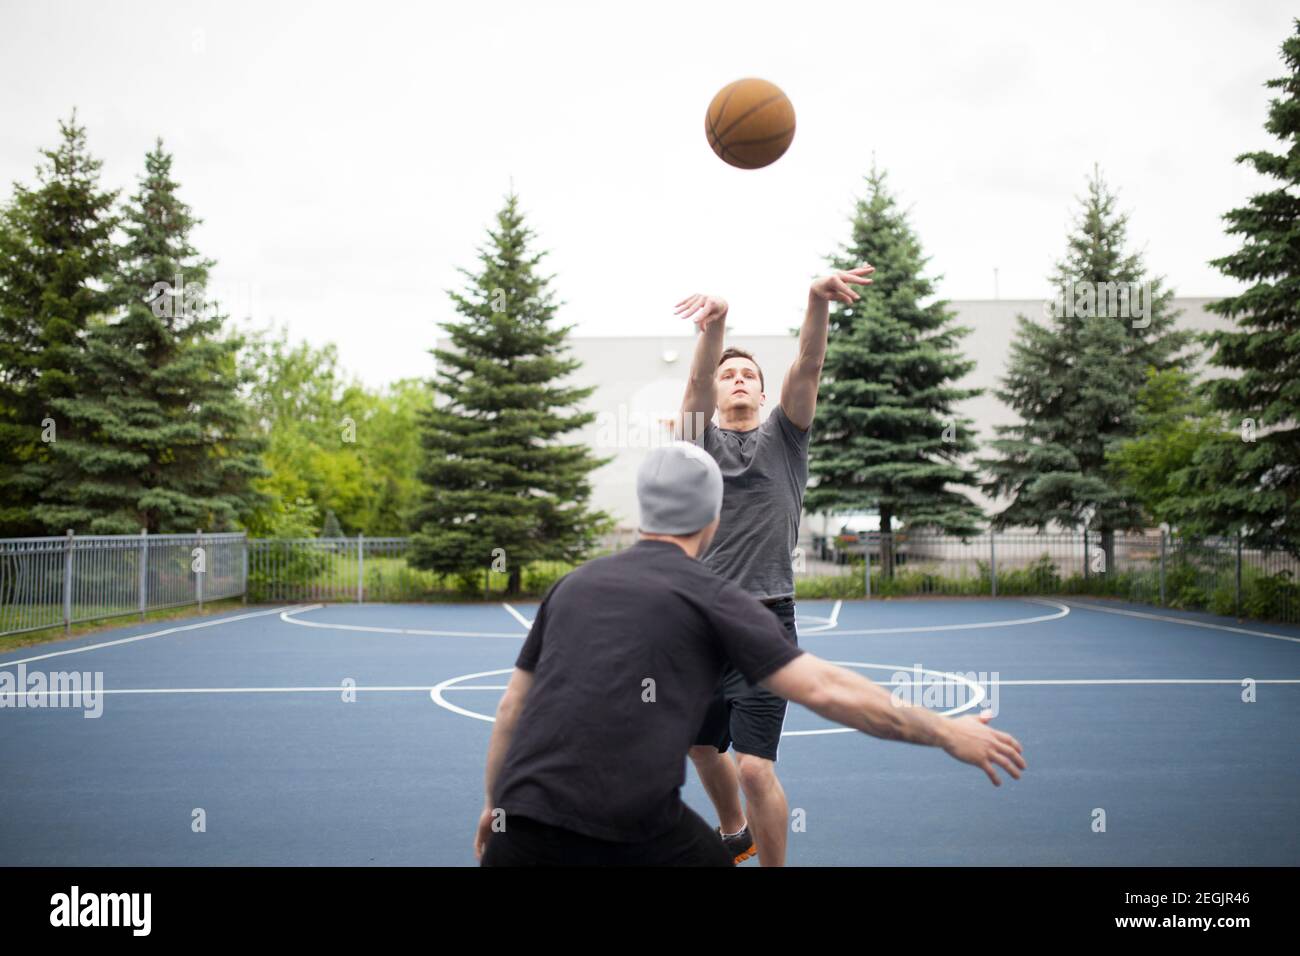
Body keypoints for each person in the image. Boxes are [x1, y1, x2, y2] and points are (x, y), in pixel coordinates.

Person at [475, 443, 1025, 866]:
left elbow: (510, 711)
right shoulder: (713, 597)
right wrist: (948, 732)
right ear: (713, 520)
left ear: (643, 514)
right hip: (631, 830)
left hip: (520, 828)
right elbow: (827, 690)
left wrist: (495, 809)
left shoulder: (573, 586)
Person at [672, 267, 873, 865]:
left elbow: (808, 364)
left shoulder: (785, 437)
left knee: (756, 769)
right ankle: (735, 830)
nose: (737, 379)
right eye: (728, 373)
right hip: (699, 624)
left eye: (748, 375)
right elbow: (693, 382)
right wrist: (718, 323)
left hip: (764, 624)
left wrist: (816, 299)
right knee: (700, 745)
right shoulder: (696, 445)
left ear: (763, 394)